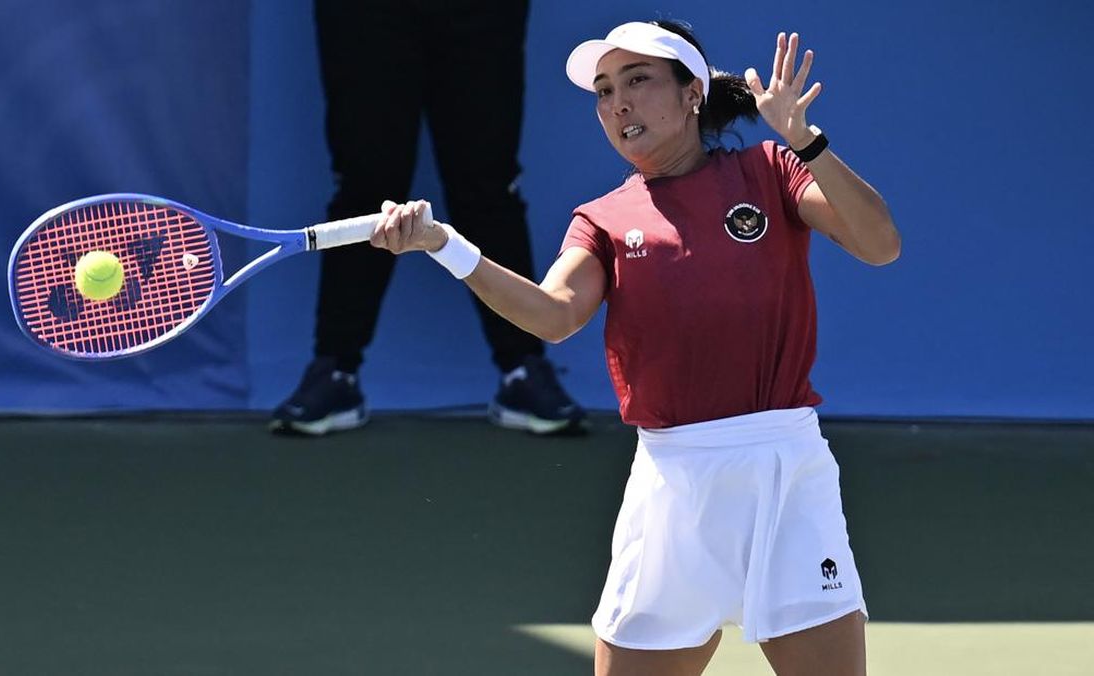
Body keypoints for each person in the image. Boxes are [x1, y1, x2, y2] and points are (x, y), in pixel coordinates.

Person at [368, 19, 900, 676]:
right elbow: (554, 315)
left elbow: (880, 245)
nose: (617, 103)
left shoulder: (771, 172)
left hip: (785, 472)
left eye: (638, 80)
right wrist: (445, 246)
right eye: (603, 90)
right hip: (671, 483)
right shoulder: (602, 219)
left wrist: (807, 143)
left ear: (691, 95)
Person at [269, 0, 586, 436]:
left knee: (488, 182)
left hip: (480, 15)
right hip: (366, 15)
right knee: (366, 185)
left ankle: (522, 370)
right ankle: (336, 371)